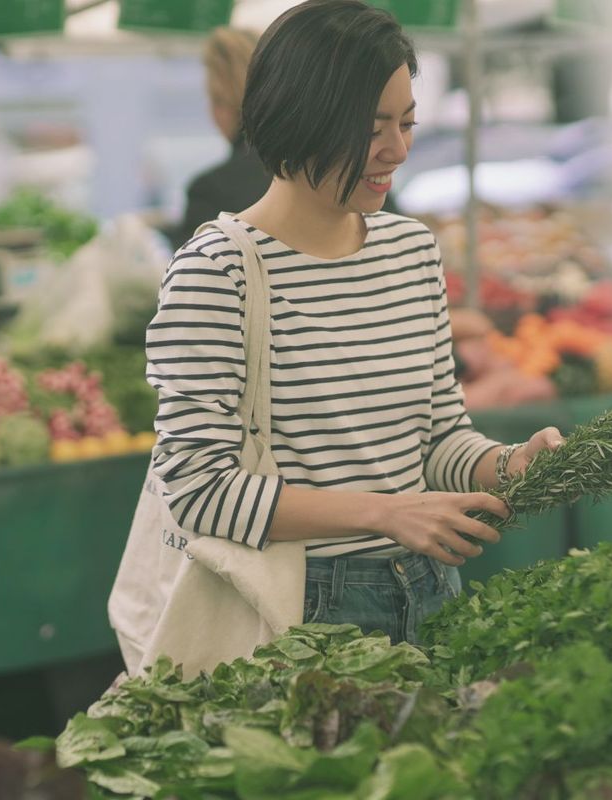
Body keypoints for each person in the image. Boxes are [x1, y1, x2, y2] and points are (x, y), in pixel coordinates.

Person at [146, 0, 565, 645]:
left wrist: (510, 465)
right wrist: (388, 513)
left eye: (407, 122)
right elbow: (199, 489)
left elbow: (437, 442)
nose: (396, 150)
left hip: (430, 590)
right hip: (295, 611)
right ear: (298, 117)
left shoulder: (411, 250)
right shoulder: (218, 271)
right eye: (371, 128)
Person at [169, 27, 271, 248]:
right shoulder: (309, 173)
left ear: (223, 104)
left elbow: (192, 279)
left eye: (212, 99)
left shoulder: (210, 191)